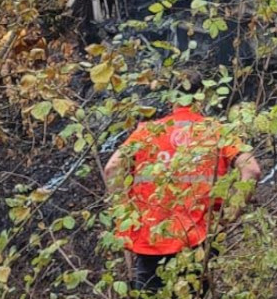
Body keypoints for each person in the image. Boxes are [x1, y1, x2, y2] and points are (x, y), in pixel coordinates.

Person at [104, 103, 262, 291]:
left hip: (152, 236)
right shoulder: (216, 131)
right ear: (202, 97)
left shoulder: (147, 132)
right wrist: (228, 216)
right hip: (199, 237)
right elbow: (251, 169)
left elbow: (112, 168)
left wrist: (125, 215)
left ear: (171, 101)